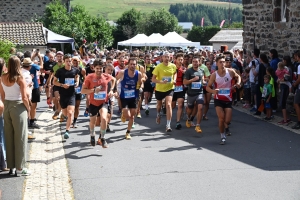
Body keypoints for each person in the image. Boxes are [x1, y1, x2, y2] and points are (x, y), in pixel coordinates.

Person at [0, 56, 31, 175]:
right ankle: (20, 167)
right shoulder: (20, 78)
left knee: (9, 137)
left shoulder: (2, 78)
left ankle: (11, 166)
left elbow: (2, 96)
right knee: (20, 138)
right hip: (18, 107)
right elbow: (24, 97)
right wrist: (28, 110)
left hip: (7, 106)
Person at [206, 55, 241, 145]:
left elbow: (238, 77)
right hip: (218, 99)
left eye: (223, 62)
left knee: (227, 120)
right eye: (220, 62)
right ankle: (222, 136)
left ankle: (226, 128)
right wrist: (213, 91)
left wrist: (238, 83)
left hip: (228, 99)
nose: (222, 64)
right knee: (221, 118)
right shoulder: (214, 75)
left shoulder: (231, 71)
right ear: (217, 64)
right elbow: (207, 87)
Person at [81, 59, 115, 147]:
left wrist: (111, 90)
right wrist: (93, 90)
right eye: (97, 68)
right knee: (93, 122)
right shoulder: (89, 77)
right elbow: (83, 91)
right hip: (93, 103)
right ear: (94, 68)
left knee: (104, 118)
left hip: (103, 102)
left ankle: (102, 138)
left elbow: (114, 80)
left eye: (100, 68)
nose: (99, 70)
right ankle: (92, 135)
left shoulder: (106, 76)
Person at [53, 54, 80, 139]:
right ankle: (64, 116)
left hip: (71, 94)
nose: (69, 63)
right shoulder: (60, 71)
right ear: (64, 62)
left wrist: (77, 83)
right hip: (63, 95)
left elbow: (77, 76)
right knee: (65, 113)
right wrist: (62, 85)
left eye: (70, 61)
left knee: (70, 112)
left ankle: (67, 131)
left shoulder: (75, 70)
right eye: (67, 61)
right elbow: (54, 82)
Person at [116, 58, 142, 139]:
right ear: (128, 65)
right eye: (131, 64)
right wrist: (116, 90)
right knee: (127, 115)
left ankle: (128, 132)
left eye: (134, 64)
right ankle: (123, 114)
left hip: (133, 97)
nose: (132, 66)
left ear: (136, 65)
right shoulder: (123, 72)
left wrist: (141, 87)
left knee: (132, 117)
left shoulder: (139, 74)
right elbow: (115, 80)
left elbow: (140, 83)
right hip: (124, 97)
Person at [152, 52, 177, 132]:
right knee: (159, 105)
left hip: (170, 88)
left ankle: (168, 125)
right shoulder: (158, 67)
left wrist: (174, 79)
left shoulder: (173, 66)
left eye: (168, 57)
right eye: (165, 57)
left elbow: (175, 73)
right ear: (162, 57)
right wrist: (161, 82)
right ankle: (158, 114)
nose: (167, 58)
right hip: (160, 89)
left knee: (169, 105)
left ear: (171, 57)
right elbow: (153, 79)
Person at [183, 57, 205, 133]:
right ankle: (188, 118)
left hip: (199, 92)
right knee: (190, 109)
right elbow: (185, 82)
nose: (195, 63)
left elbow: (202, 80)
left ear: (199, 62)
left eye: (196, 61)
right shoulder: (189, 71)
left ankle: (198, 125)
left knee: (200, 107)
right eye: (193, 61)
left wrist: (204, 82)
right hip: (191, 93)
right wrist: (192, 80)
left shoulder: (202, 70)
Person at [24, 50, 43, 128]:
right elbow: (41, 67)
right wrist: (40, 58)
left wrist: (33, 56)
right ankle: (31, 121)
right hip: (34, 86)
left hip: (25, 87)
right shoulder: (33, 65)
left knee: (27, 104)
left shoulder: (22, 66)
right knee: (33, 105)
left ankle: (28, 120)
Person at [48, 51, 64, 120]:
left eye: (61, 56)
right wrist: (48, 83)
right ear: (56, 57)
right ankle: (58, 109)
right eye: (58, 56)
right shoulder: (54, 65)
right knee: (56, 98)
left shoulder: (66, 64)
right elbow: (51, 74)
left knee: (61, 99)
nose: (59, 58)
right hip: (56, 83)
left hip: (64, 84)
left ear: (63, 57)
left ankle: (59, 112)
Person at [172, 54, 186, 130]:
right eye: (179, 59)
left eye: (181, 59)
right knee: (172, 106)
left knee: (180, 105)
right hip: (172, 88)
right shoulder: (171, 67)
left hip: (181, 89)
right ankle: (168, 118)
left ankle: (178, 122)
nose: (180, 61)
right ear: (175, 60)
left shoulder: (184, 69)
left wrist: (185, 73)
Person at [72, 56, 86, 128]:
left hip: (78, 88)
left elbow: (85, 78)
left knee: (77, 106)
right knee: (71, 106)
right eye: (74, 62)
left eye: (77, 62)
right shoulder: (69, 68)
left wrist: (85, 86)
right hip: (70, 88)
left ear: (79, 62)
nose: (75, 63)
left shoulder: (81, 69)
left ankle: (74, 121)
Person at [292, 51, 300, 129]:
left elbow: (299, 78)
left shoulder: (299, 66)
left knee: (296, 103)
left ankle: (299, 121)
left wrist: (295, 84)